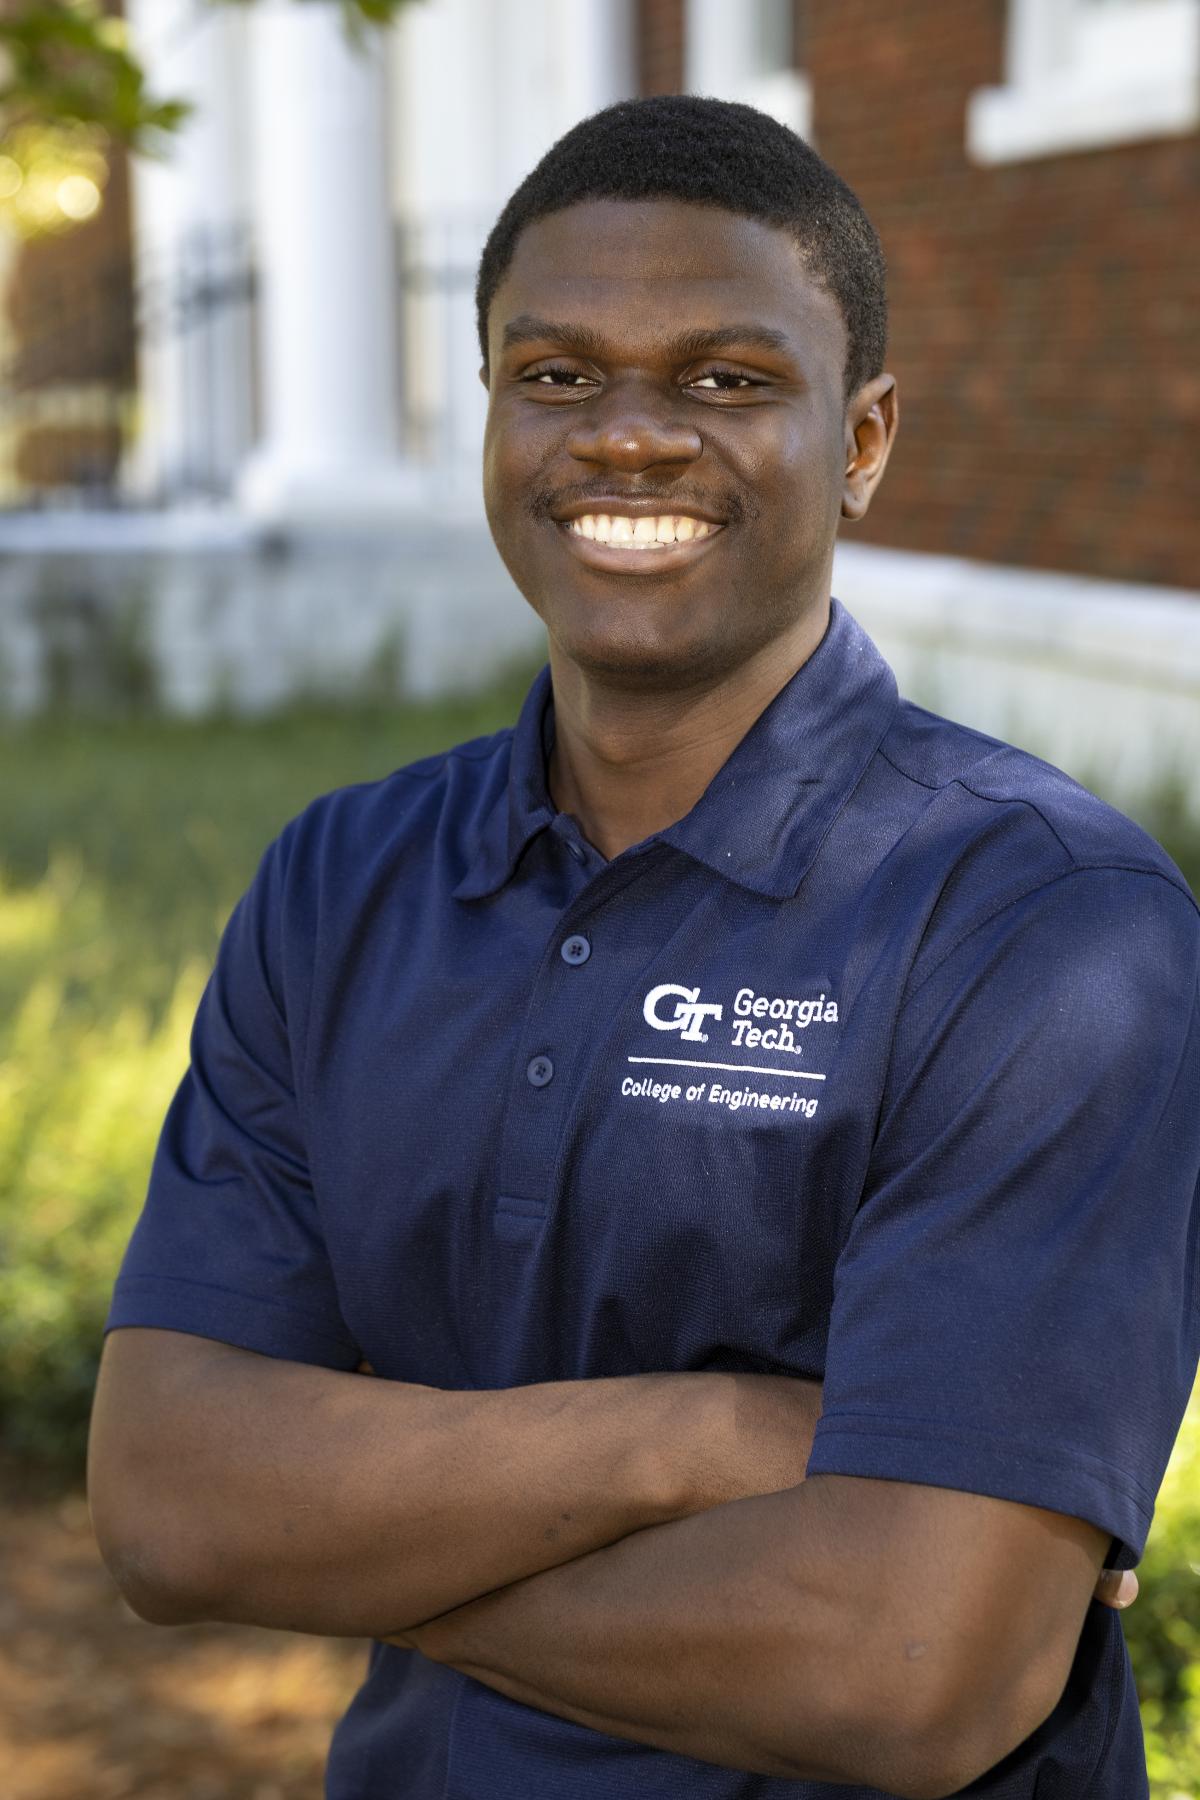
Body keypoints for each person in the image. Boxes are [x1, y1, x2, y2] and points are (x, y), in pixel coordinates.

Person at [88, 96, 1199, 1799]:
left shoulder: (1043, 929)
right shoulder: (346, 880)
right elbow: (169, 1504)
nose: (627, 439)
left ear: (866, 437)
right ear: (491, 413)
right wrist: (719, 1434)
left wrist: (354, 1540)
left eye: (725, 382)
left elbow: (915, 1672)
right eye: (556, 376)